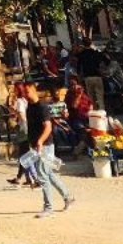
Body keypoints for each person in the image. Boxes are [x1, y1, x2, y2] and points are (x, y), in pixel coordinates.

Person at [24, 80, 73, 217]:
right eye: (23, 92)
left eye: (27, 91)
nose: (25, 94)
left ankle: (48, 208)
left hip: (45, 145)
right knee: (49, 174)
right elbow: (31, 127)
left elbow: (48, 127)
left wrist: (40, 141)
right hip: (36, 145)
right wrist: (32, 143)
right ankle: (68, 197)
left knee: (42, 175)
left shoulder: (42, 107)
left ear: (34, 90)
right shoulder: (30, 107)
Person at [77, 42, 105, 111]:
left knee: (91, 97)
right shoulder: (96, 53)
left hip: (87, 77)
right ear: (91, 44)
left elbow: (78, 67)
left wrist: (79, 76)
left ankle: (94, 111)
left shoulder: (81, 54)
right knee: (100, 96)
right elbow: (105, 60)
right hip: (97, 76)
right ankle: (102, 111)